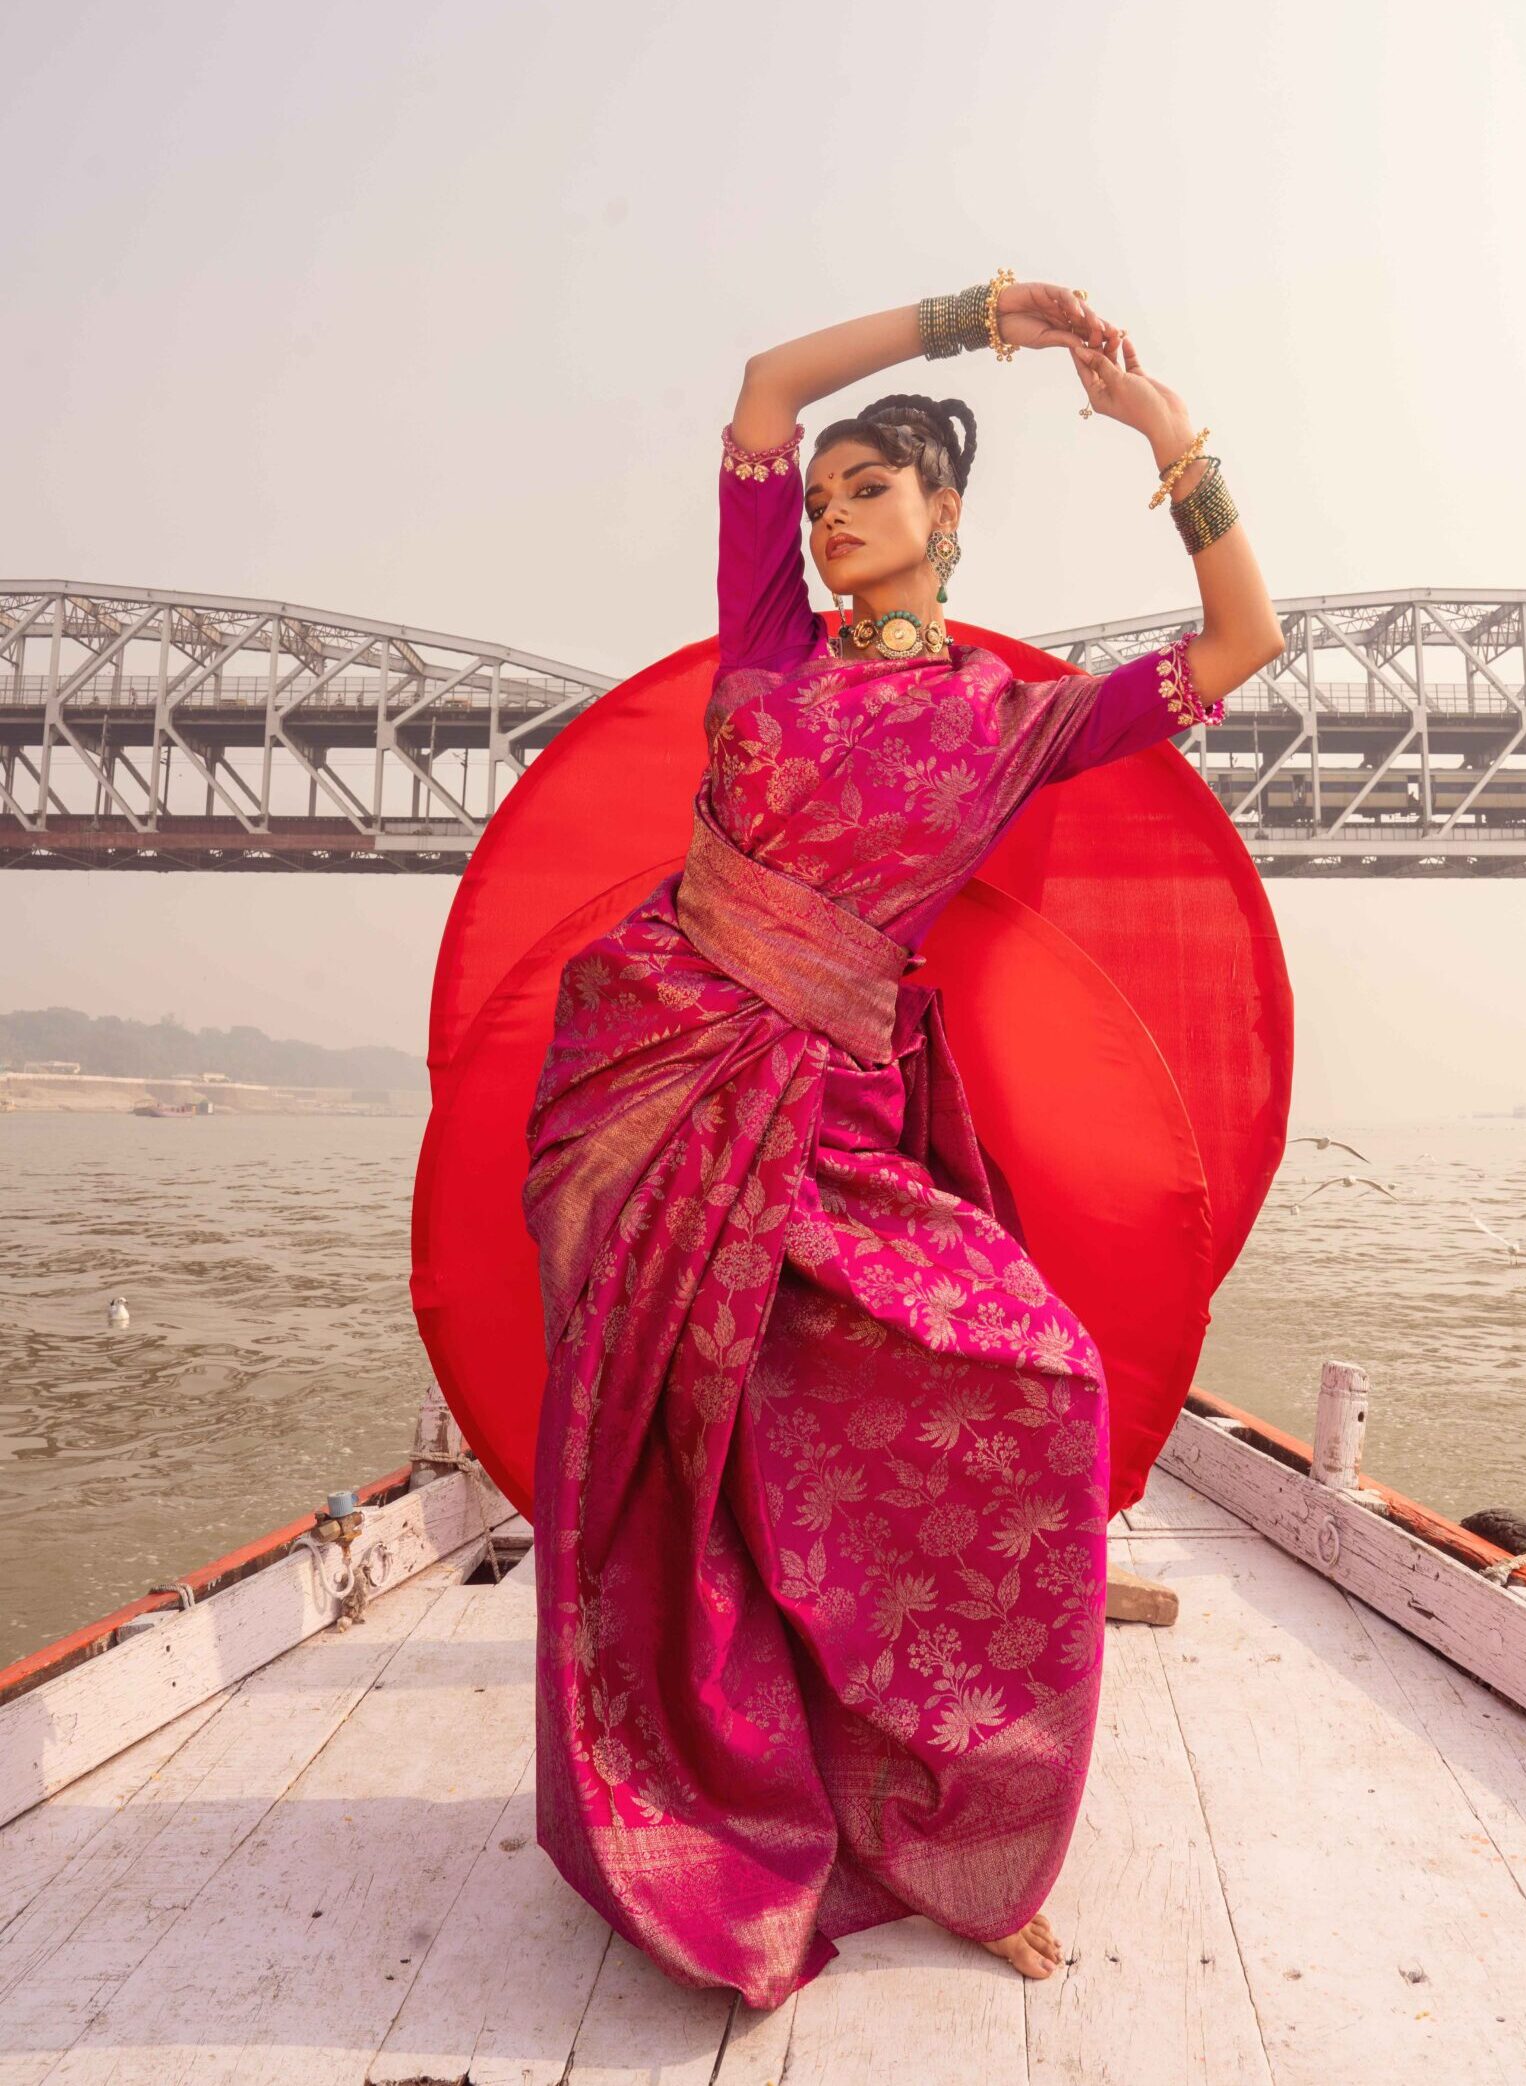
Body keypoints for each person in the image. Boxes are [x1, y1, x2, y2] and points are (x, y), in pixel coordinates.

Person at [522, 274, 1285, 2013]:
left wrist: (1176, 446)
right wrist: (971, 313)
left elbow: (1242, 645)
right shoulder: (766, 643)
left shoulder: (1012, 725)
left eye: (871, 489)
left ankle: (960, 1823)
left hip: (837, 1119)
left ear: (946, 518)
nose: (833, 509)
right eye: (821, 495)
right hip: (653, 1083)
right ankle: (697, 1794)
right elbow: (763, 381)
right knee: (690, 1463)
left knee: (1031, 1382)